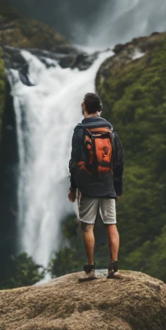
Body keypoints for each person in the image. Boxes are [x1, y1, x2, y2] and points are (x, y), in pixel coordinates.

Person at [67, 91, 124, 280]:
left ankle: (90, 269)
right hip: (108, 184)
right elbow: (119, 159)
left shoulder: (80, 130)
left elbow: (74, 161)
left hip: (88, 186)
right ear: (99, 108)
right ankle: (114, 268)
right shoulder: (110, 130)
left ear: (84, 107)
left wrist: (73, 187)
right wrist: (118, 187)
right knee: (111, 225)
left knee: (88, 227)